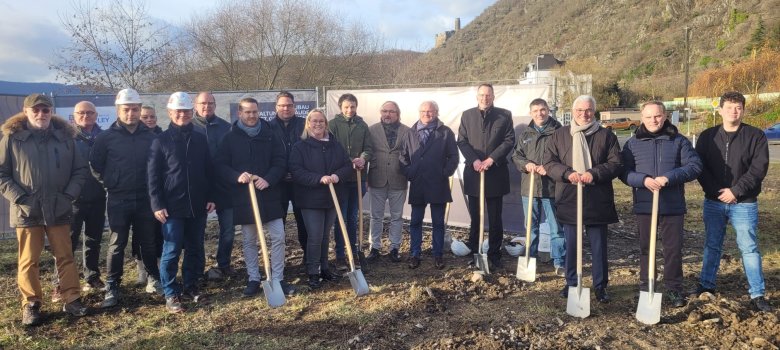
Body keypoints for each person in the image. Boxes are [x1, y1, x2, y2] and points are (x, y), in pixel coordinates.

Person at [0, 94, 89, 326]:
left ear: (52, 112)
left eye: (45, 110)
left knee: (66, 257)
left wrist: (69, 195)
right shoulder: (12, 138)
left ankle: (72, 298)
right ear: (26, 111)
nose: (41, 114)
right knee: (28, 260)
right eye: (36, 110)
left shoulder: (65, 137)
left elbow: (79, 170)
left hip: (59, 208)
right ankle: (31, 304)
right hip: (27, 210)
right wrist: (19, 197)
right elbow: (2, 174)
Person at [695, 91, 771, 312]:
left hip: (744, 202)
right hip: (714, 201)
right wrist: (717, 192)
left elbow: (758, 169)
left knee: (749, 248)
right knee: (712, 245)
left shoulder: (755, 136)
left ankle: (757, 294)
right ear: (720, 110)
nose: (733, 111)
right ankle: (706, 285)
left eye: (738, 107)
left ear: (743, 110)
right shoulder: (707, 136)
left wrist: (736, 191)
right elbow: (701, 167)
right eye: (728, 107)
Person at [621, 101, 702, 308]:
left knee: (673, 250)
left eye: (657, 116)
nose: (653, 120)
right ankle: (645, 287)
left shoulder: (678, 141)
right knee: (646, 249)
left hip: (672, 206)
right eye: (648, 117)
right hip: (645, 205)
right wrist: (643, 180)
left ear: (665, 116)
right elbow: (623, 172)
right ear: (642, 118)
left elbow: (694, 166)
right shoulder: (632, 144)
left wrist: (669, 177)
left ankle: (674, 289)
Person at [544, 95, 622, 303]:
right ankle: (571, 283)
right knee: (572, 245)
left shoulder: (606, 136)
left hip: (597, 199)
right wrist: (567, 173)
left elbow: (615, 163)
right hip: (569, 197)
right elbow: (549, 163)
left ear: (594, 112)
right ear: (573, 111)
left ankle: (600, 286)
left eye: (588, 110)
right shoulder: (559, 135)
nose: (584, 114)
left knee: (598, 247)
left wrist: (594, 173)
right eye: (579, 110)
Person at [216, 97, 295, 297]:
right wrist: (237, 176)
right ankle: (253, 279)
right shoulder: (230, 137)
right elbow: (221, 165)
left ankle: (277, 278)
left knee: (278, 236)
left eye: (254, 112)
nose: (251, 116)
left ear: (259, 112)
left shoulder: (270, 134)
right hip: (245, 198)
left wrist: (268, 179)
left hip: (269, 195)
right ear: (239, 114)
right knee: (250, 240)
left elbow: (280, 161)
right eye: (247, 112)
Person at [90, 88, 161, 308]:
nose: (131, 113)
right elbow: (95, 166)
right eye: (126, 109)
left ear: (140, 110)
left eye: (135, 109)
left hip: (145, 199)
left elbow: (158, 167)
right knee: (116, 244)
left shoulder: (151, 137)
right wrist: (111, 184)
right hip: (118, 198)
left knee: (148, 242)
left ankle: (153, 278)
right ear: (118, 110)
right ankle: (112, 285)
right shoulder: (105, 138)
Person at [148, 92, 215, 313]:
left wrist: (211, 196)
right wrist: (157, 204)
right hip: (172, 207)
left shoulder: (200, 138)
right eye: (178, 111)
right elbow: (153, 176)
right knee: (172, 249)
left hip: (197, 204)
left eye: (186, 111)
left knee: (195, 248)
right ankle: (170, 292)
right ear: (170, 113)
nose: (183, 115)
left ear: (191, 112)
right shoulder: (160, 141)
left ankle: (190, 285)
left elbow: (208, 171)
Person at [289, 109, 352, 289]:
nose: (318, 124)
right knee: (315, 236)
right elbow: (296, 171)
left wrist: (336, 176)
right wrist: (318, 178)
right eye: (314, 121)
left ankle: (324, 268)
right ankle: (313, 272)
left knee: (325, 236)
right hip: (311, 200)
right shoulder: (300, 147)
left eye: (321, 121)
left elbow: (347, 166)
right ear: (308, 124)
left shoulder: (335, 145)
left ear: (326, 124)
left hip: (332, 198)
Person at [457, 83, 515, 269]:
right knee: (475, 215)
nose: (485, 98)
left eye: (488, 95)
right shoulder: (467, 115)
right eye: (482, 95)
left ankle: (494, 253)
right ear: (477, 96)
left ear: (493, 96)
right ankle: (475, 250)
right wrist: (474, 160)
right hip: (474, 173)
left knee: (495, 216)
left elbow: (508, 141)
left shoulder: (504, 115)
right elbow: (462, 141)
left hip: (495, 173)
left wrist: (491, 159)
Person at [399, 101, 459, 269]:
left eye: (430, 111)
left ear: (437, 113)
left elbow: (453, 157)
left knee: (438, 222)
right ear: (419, 113)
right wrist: (410, 173)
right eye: (423, 111)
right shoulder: (410, 133)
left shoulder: (445, 132)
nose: (427, 114)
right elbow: (403, 157)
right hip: (418, 183)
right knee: (416, 221)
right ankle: (414, 254)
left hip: (438, 183)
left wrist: (444, 173)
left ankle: (438, 254)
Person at [512, 98, 565, 276]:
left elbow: (565, 157)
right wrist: (526, 164)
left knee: (556, 227)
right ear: (531, 113)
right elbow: (516, 155)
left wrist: (549, 168)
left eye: (542, 110)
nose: (539, 114)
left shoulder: (559, 132)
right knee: (531, 227)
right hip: (529, 188)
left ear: (548, 110)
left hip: (551, 187)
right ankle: (530, 260)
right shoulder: (526, 134)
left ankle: (560, 261)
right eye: (535, 111)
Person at [192, 92, 235, 280]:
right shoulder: (188, 127)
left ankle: (223, 263)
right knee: (197, 233)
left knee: (228, 230)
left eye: (210, 103)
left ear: (215, 105)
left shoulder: (226, 128)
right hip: (199, 189)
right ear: (195, 105)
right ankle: (198, 269)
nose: (206, 106)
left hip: (225, 188)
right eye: (203, 103)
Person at [328, 93, 373, 270]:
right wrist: (348, 161)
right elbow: (331, 149)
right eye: (346, 107)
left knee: (354, 217)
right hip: (340, 179)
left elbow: (369, 149)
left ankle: (353, 251)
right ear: (341, 107)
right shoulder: (332, 125)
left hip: (358, 179)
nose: (350, 110)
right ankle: (340, 254)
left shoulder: (362, 125)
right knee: (342, 218)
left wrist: (363, 158)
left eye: (352, 106)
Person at [367, 101, 409, 262]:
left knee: (397, 216)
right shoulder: (372, 130)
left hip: (398, 178)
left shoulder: (406, 131)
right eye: (384, 111)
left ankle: (394, 247)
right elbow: (367, 151)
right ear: (380, 112)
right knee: (375, 216)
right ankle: (374, 247)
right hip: (377, 178)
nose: (387, 114)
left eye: (391, 111)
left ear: (398, 114)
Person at [71, 101, 107, 291]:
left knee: (93, 240)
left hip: (98, 197)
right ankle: (60, 283)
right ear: (74, 116)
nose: (86, 116)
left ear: (96, 114)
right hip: (73, 200)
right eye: (81, 113)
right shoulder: (66, 138)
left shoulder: (104, 137)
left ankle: (92, 276)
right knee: (67, 243)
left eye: (90, 112)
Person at [269, 91, 308, 263]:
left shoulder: (304, 125)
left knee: (304, 222)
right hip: (278, 184)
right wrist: (279, 173)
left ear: (294, 106)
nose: (286, 108)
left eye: (289, 105)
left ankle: (309, 258)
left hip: (301, 183)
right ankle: (279, 263)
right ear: (276, 107)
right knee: (279, 225)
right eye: (282, 105)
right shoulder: (268, 127)